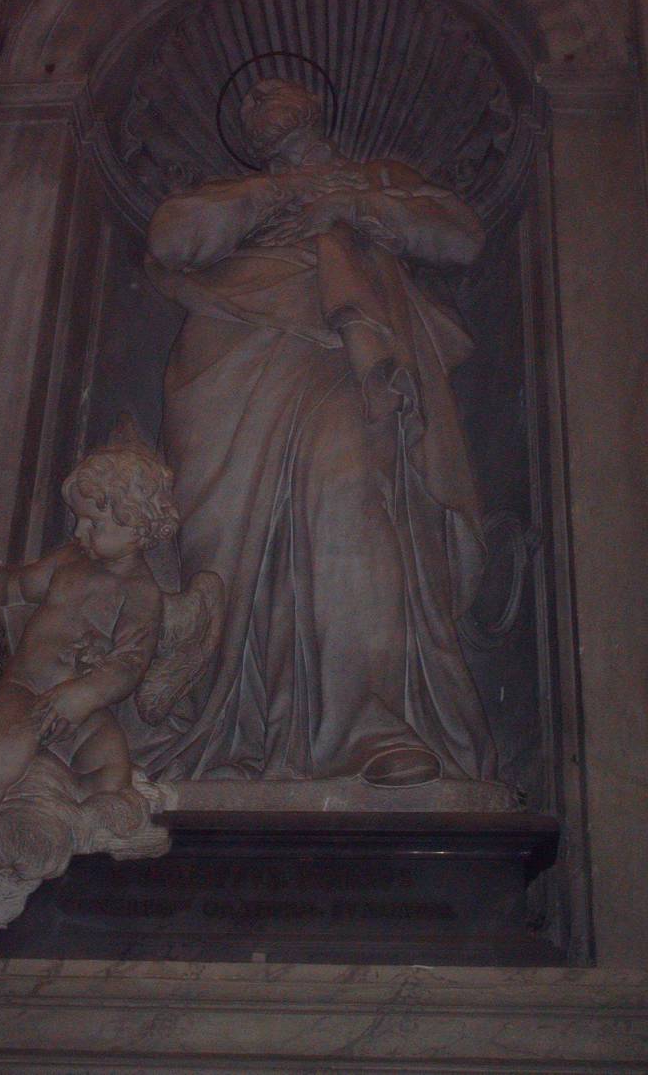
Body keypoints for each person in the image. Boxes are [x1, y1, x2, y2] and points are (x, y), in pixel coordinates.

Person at [142, 78, 499, 787]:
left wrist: (357, 205)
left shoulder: (378, 179)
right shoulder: (235, 193)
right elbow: (173, 238)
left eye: (270, 91)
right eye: (245, 101)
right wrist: (279, 194)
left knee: (350, 499)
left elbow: (461, 237)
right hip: (233, 365)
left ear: (312, 105)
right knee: (221, 543)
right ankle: (241, 731)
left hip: (346, 356)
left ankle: (367, 725)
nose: (254, 101)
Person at [0, 440, 216, 879]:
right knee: (11, 744)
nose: (79, 532)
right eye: (78, 520)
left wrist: (82, 696)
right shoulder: (70, 561)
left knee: (114, 768)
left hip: (81, 712)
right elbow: (12, 587)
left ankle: (65, 816)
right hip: (26, 692)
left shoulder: (141, 595)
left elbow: (129, 664)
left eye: (93, 523)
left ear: (137, 526)